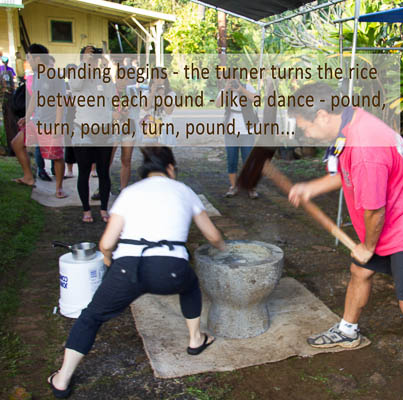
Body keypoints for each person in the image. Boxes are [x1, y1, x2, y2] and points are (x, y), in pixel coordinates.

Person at [287, 83, 403, 400]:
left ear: (323, 115)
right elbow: (347, 172)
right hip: (390, 221)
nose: (305, 134)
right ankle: (347, 330)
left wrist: (367, 246)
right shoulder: (351, 123)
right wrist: (312, 188)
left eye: (305, 126)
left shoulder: (364, 145)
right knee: (360, 271)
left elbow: (375, 212)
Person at [47, 146, 225, 399]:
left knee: (91, 317)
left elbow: (106, 243)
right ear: (171, 169)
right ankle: (195, 340)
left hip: (127, 268)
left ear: (145, 171)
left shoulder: (129, 193)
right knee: (190, 285)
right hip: (170, 269)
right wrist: (223, 248)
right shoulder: (185, 191)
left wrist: (108, 260)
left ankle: (62, 379)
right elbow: (213, 235)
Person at [12, 43, 68, 198]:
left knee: (56, 157)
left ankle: (59, 188)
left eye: (29, 57)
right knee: (16, 143)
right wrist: (26, 117)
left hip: (51, 123)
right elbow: (35, 98)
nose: (28, 61)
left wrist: (57, 125)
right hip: (36, 121)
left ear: (37, 58)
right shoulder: (36, 75)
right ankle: (28, 177)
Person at [70, 46, 116, 223]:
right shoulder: (77, 74)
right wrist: (85, 64)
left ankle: (104, 208)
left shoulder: (102, 76)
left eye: (94, 57)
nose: (92, 60)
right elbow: (75, 85)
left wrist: (104, 67)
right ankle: (86, 210)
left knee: (104, 172)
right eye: (89, 57)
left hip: (104, 131)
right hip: (83, 130)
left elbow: (111, 97)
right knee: (84, 172)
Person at [216, 77, 259, 199]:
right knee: (231, 158)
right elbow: (218, 104)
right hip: (230, 130)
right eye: (229, 79)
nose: (231, 81)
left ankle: (251, 187)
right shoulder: (225, 90)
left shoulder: (246, 87)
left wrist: (241, 90)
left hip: (247, 129)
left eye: (233, 78)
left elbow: (256, 99)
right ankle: (233, 186)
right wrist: (226, 89)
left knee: (248, 159)